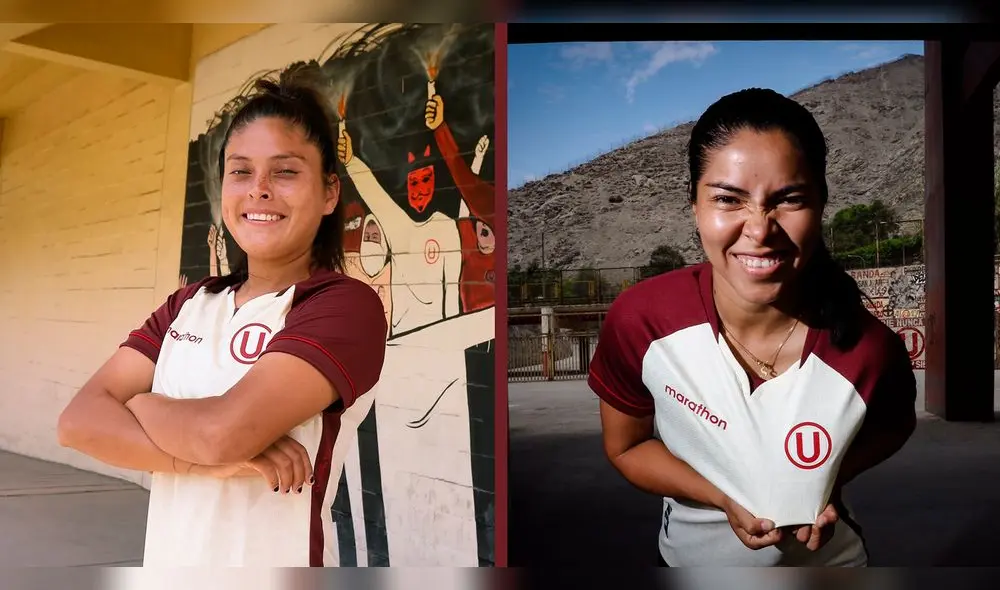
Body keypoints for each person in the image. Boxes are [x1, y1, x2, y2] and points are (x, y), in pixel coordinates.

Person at [56, 76, 388, 567]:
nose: (259, 190)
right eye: (241, 171)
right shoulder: (188, 303)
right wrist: (204, 463)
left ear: (328, 193)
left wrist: (144, 405)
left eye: (286, 172)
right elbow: (78, 422)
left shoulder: (343, 306)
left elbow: (220, 435)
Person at [588, 88, 917, 567]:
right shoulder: (641, 319)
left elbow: (895, 424)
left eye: (789, 200)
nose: (760, 230)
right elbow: (628, 446)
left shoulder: (870, 348)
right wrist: (722, 497)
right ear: (695, 205)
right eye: (728, 199)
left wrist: (824, 479)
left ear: (821, 204)